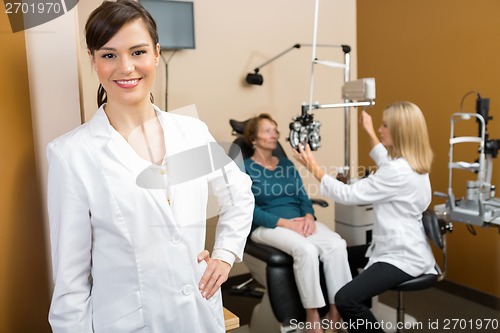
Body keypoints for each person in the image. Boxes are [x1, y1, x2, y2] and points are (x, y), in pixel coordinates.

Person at [46, 1, 254, 332]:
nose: (126, 67)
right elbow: (71, 285)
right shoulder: (72, 155)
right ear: (93, 60)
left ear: (156, 53)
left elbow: (239, 193)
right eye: (109, 55)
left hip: (199, 315)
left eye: (138, 52)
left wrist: (225, 254)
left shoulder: (190, 132)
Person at [295, 102, 436, 332]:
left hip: (402, 255)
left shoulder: (397, 171)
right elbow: (384, 160)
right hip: (405, 244)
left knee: (346, 298)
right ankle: (354, 317)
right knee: (344, 255)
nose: (380, 130)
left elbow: (348, 194)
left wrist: (313, 167)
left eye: (384, 125)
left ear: (400, 131)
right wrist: (369, 130)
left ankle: (353, 310)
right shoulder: (412, 163)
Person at [243, 113, 352, 333]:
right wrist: (285, 223)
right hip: (267, 226)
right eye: (267, 130)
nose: (275, 134)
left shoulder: (286, 164)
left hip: (299, 220)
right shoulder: (244, 168)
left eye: (275, 130)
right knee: (307, 249)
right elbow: (248, 210)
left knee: (337, 244)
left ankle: (335, 312)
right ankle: (312, 316)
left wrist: (310, 217)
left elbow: (302, 197)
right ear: (253, 139)